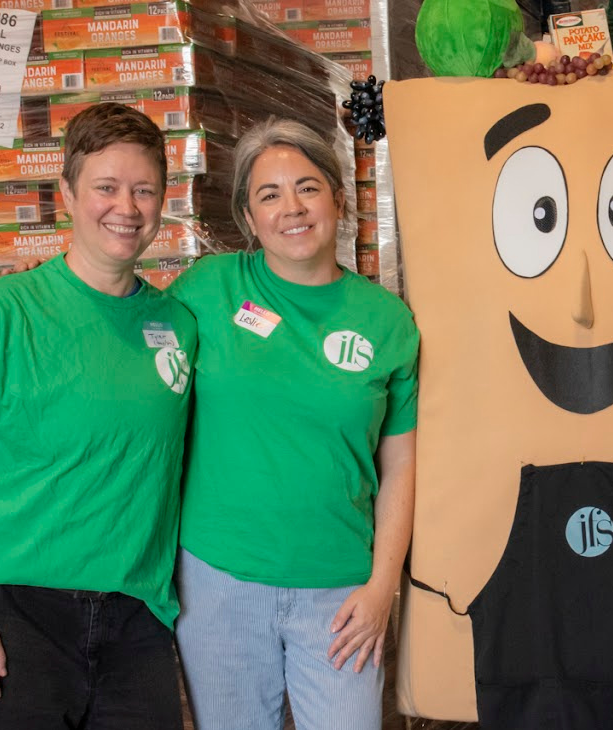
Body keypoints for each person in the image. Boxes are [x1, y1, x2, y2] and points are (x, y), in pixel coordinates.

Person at [0, 102, 195, 729]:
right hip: (13, 612)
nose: (126, 206)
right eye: (106, 187)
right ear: (66, 193)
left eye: (144, 189)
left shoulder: (178, 324)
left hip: (136, 615)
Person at [169, 117, 417, 730]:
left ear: (337, 197)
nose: (292, 208)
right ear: (248, 219)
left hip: (340, 591)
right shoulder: (206, 289)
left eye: (307, 186)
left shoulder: (387, 321)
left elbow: (402, 464)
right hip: (218, 582)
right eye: (269, 195)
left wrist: (383, 584)